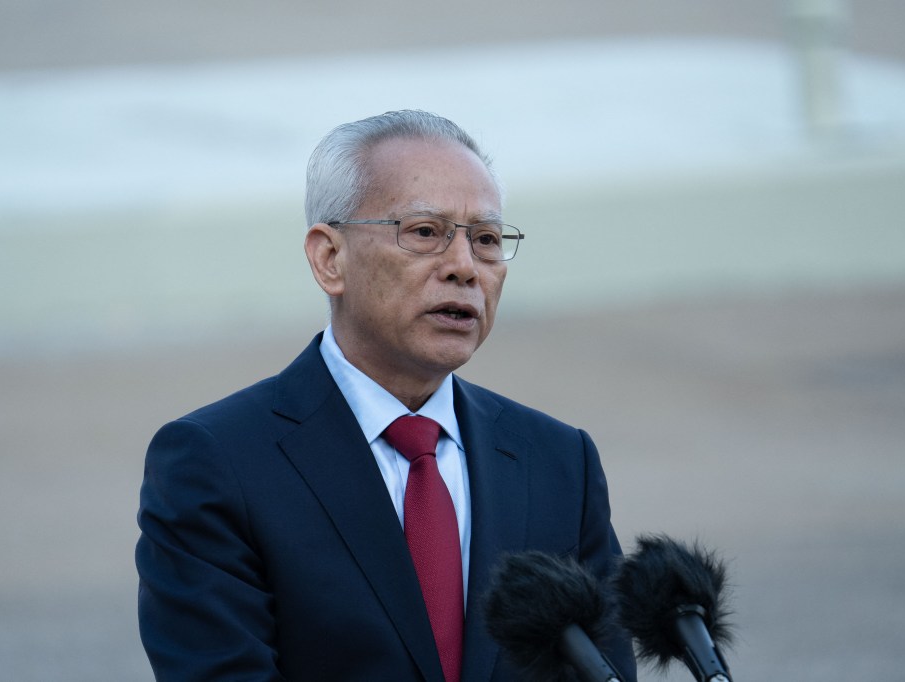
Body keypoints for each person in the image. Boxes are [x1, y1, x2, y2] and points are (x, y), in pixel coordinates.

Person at [136, 110, 637, 682]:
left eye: (486, 240)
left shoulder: (559, 462)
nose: (464, 268)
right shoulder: (216, 462)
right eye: (425, 232)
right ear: (330, 259)